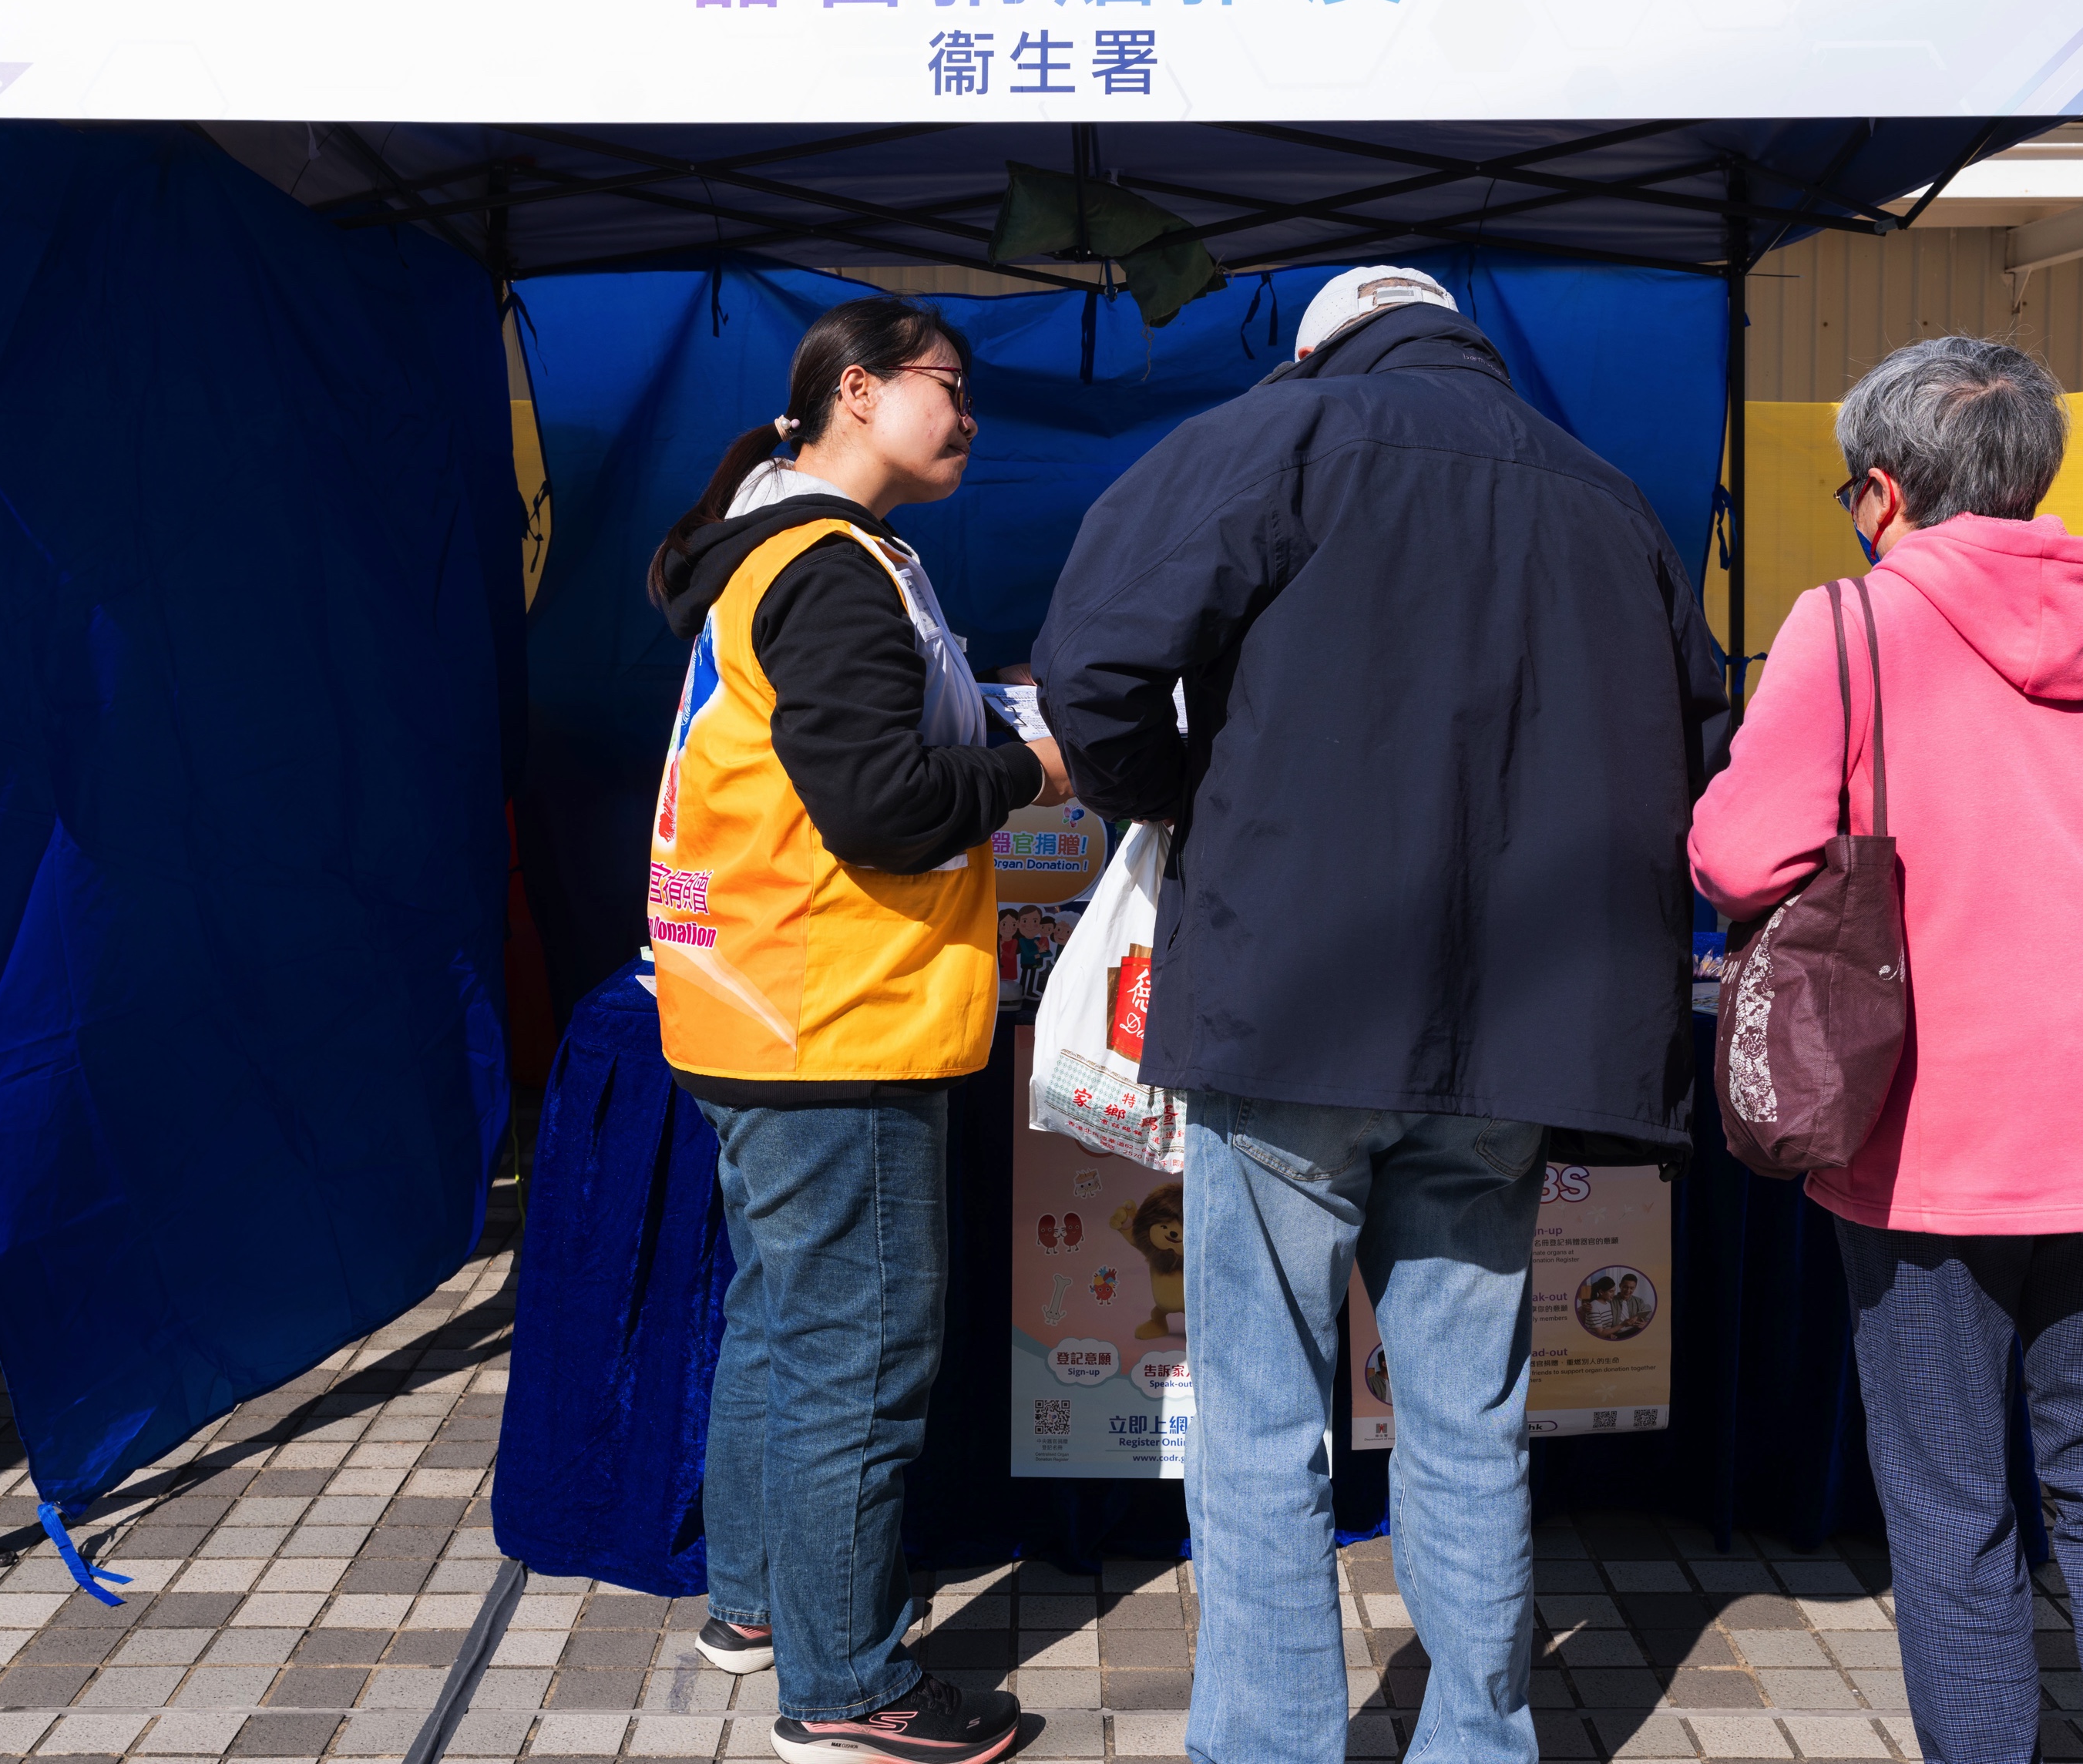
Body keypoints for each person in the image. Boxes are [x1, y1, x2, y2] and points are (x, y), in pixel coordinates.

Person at [1035, 266, 1725, 1764]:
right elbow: (1701, 743)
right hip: (1515, 1032)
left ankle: (1270, 1747)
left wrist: (1174, 802)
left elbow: (1091, 665)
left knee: (1263, 1415)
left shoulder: (1277, 436)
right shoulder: (1606, 498)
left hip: (1291, 1004)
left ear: (1317, 348)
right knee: (1469, 1411)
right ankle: (1478, 1740)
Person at [1686, 336, 2083, 1764]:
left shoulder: (1848, 624)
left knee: (1951, 1510)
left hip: (1933, 1136)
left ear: (1884, 490)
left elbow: (1737, 855)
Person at [646, 297, 1063, 1764]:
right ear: (860, 391)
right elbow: (884, 807)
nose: (969, 418)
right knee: (856, 1360)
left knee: (783, 1325)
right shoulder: (828, 568)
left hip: (754, 1007)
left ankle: (760, 1605)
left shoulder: (780, 547)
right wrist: (1032, 771)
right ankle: (846, 1691)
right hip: (833, 1017)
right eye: (950, 385)